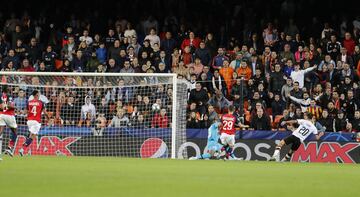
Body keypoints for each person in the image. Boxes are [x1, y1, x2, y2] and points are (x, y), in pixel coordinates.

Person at [19, 90, 48, 156]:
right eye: (39, 94)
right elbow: (45, 112)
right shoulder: (41, 103)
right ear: (36, 95)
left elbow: (26, 112)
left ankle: (24, 147)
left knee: (31, 134)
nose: (39, 95)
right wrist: (48, 118)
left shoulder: (29, 102)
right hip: (36, 121)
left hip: (29, 121)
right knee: (33, 136)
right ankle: (22, 148)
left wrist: (21, 112)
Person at [0, 85, 18, 158]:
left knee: (1, 131)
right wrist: (15, 107)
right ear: (7, 89)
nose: (10, 88)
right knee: (15, 132)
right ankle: (9, 148)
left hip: (1, 115)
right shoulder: (9, 96)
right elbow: (10, 105)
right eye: (9, 87)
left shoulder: (0, 95)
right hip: (9, 115)